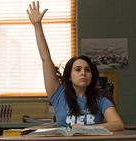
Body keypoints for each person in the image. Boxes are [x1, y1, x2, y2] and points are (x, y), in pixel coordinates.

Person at [27, 1, 124, 131]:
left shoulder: (100, 100)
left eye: (87, 70)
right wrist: (37, 25)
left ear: (91, 76)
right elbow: (46, 59)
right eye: (78, 69)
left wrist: (85, 128)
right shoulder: (58, 95)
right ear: (70, 76)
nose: (83, 73)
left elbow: (118, 124)